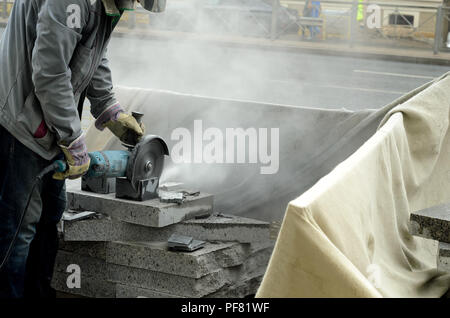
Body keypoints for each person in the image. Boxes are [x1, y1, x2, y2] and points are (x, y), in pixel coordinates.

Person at [0, 0, 165, 298]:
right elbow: (50, 73)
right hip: (22, 124)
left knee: (49, 218)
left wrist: (108, 108)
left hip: (48, 121)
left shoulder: (101, 6)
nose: (134, 5)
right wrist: (72, 139)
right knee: (18, 231)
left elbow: (92, 54)